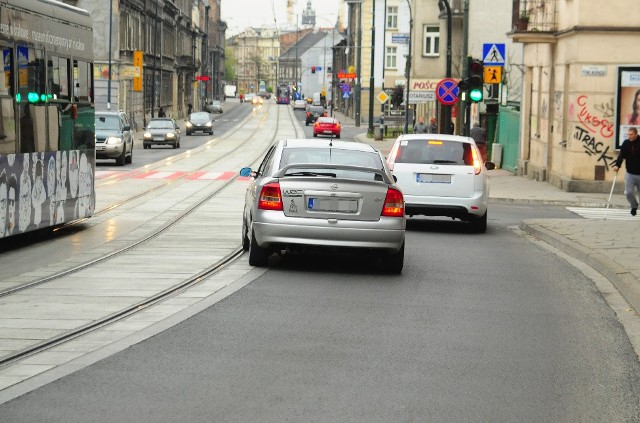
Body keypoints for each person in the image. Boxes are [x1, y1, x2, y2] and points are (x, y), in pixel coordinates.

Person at [612, 127, 640, 216]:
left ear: (636, 134)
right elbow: (621, 156)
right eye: (628, 134)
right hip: (630, 173)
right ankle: (634, 205)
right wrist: (617, 165)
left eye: (631, 134)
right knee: (628, 193)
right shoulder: (626, 143)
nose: (629, 136)